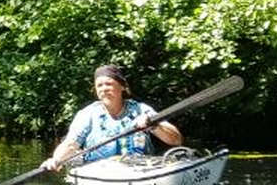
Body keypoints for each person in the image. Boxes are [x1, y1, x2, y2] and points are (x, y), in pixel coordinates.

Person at [44, 64, 182, 171]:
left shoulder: (141, 110)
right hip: (100, 170)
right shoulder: (87, 114)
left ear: (122, 87)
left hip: (140, 168)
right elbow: (70, 144)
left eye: (108, 84)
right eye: (99, 85)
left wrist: (154, 126)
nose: (103, 88)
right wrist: (56, 160)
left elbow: (176, 140)